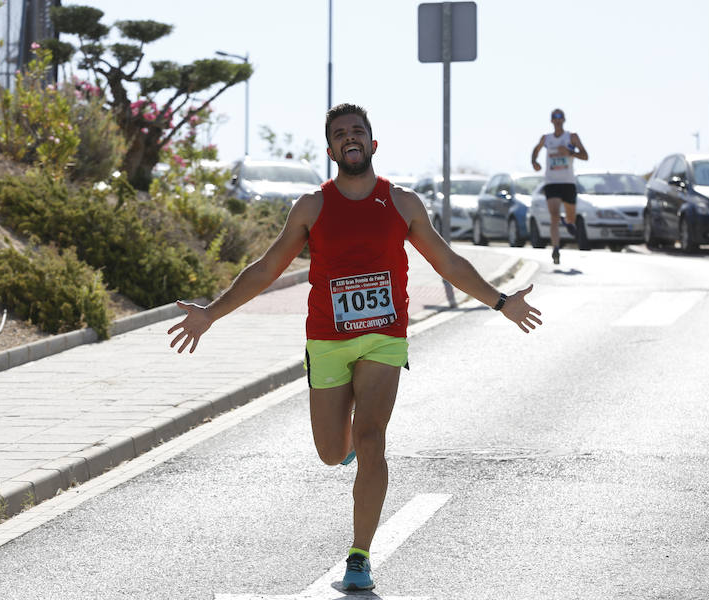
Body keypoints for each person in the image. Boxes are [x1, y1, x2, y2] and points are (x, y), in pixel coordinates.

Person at [167, 103, 542, 592]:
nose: (350, 137)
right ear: (330, 150)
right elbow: (265, 268)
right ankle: (343, 451)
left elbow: (446, 262)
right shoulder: (312, 206)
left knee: (371, 438)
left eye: (357, 131)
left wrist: (500, 301)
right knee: (330, 452)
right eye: (340, 133)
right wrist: (211, 314)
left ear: (372, 143)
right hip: (326, 338)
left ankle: (360, 555)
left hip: (384, 336)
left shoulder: (403, 203)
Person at [530, 108, 589, 264]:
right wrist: (534, 162)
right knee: (554, 216)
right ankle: (556, 249)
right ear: (551, 121)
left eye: (560, 117)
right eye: (554, 117)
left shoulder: (572, 137)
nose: (557, 120)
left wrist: (570, 152)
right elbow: (535, 150)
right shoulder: (546, 138)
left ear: (564, 120)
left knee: (571, 218)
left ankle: (568, 222)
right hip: (551, 182)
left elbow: (585, 155)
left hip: (568, 182)